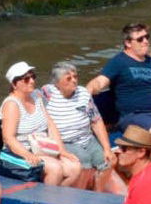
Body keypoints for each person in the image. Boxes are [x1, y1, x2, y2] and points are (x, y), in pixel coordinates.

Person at [41, 61, 122, 193]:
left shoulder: (83, 94)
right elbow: (29, 100)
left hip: (87, 138)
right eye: (68, 78)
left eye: (75, 77)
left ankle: (98, 194)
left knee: (109, 161)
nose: (74, 80)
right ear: (57, 83)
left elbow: (96, 121)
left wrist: (107, 148)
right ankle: (79, 196)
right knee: (84, 162)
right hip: (65, 141)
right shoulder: (47, 93)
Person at [0, 61, 81, 186]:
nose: (32, 81)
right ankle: (47, 201)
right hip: (20, 152)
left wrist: (62, 150)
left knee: (74, 167)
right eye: (26, 79)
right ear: (14, 84)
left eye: (33, 77)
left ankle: (55, 197)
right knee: (55, 168)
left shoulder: (36, 95)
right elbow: (8, 138)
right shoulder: (12, 104)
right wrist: (26, 154)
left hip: (43, 148)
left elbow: (50, 124)